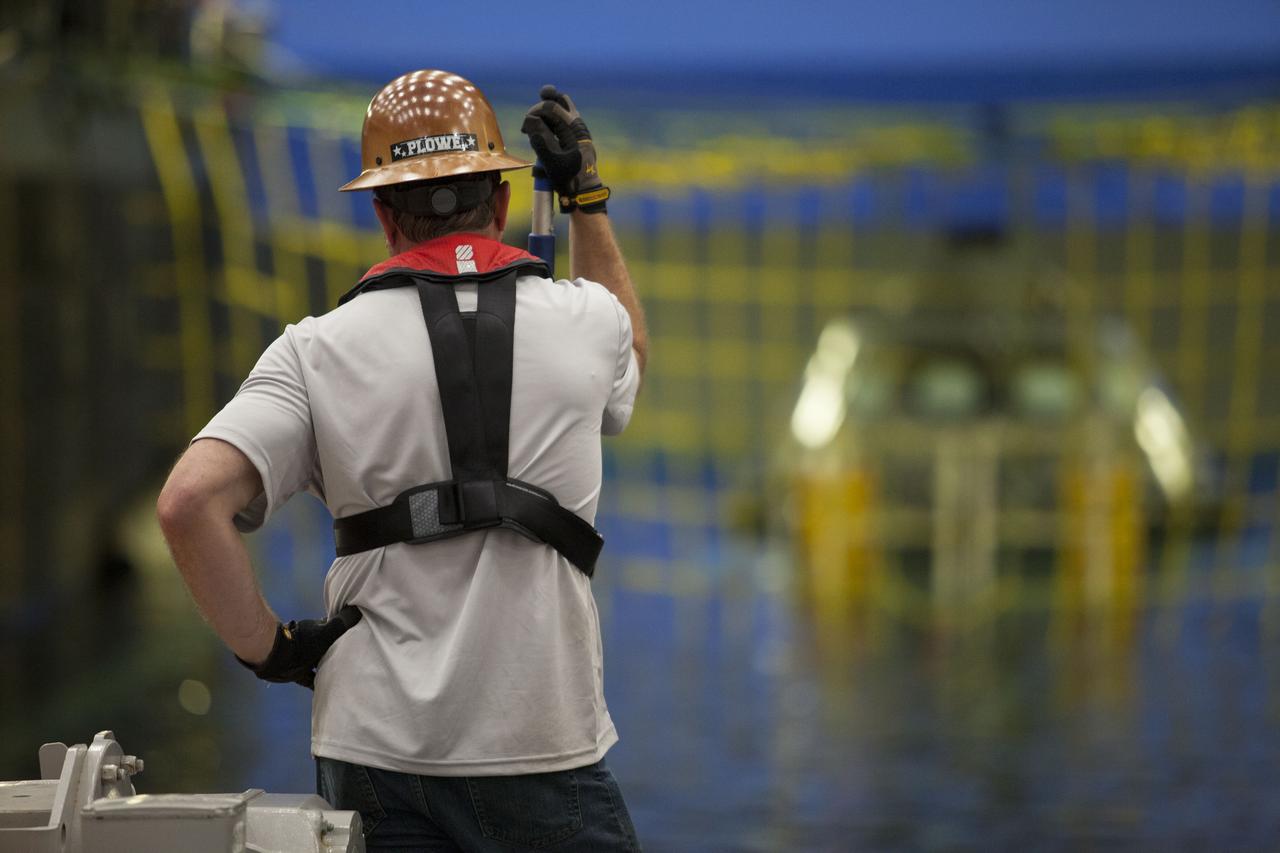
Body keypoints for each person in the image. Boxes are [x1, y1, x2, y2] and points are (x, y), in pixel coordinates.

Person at [156, 69, 648, 852]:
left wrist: (274, 650)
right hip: (542, 743)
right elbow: (631, 358)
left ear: (384, 216)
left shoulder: (312, 351)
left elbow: (188, 504)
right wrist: (586, 203)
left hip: (374, 750)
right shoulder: (589, 321)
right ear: (503, 203)